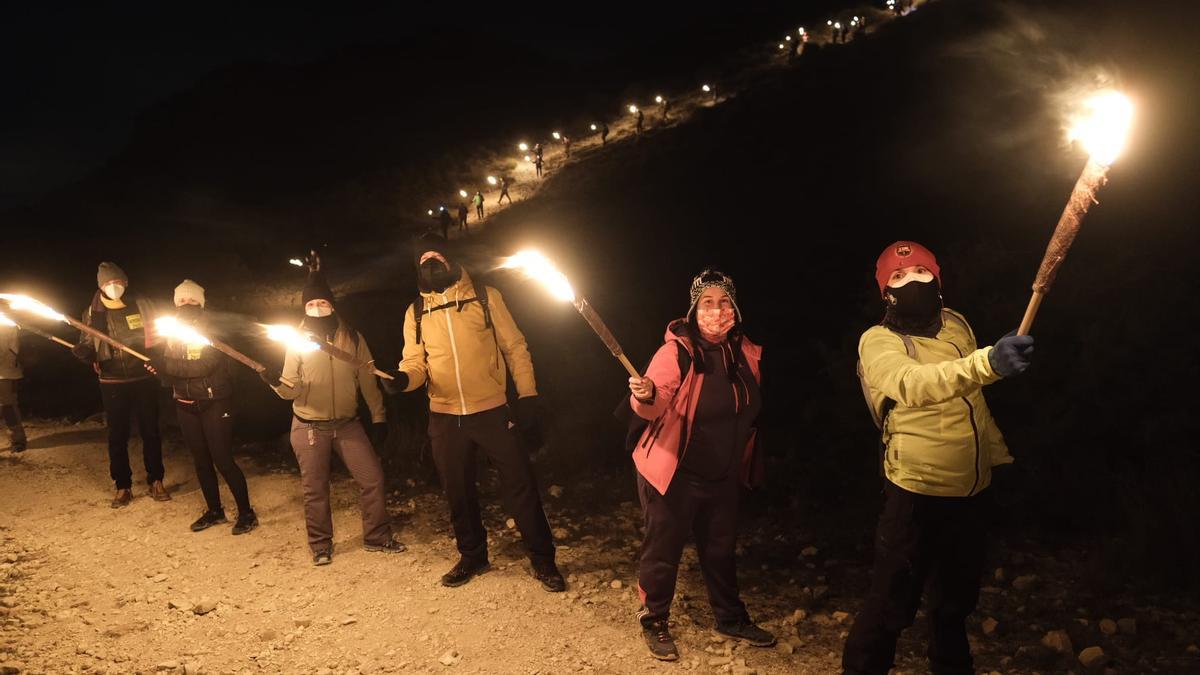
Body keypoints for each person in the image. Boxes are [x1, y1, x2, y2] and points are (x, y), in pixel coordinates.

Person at [842, 241, 1034, 675]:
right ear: (884, 290)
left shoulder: (955, 323)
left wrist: (993, 452)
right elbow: (913, 384)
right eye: (898, 277)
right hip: (916, 491)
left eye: (921, 273)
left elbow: (969, 396)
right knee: (890, 606)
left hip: (973, 487)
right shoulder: (877, 341)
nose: (912, 282)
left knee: (955, 603)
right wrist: (989, 363)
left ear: (938, 279)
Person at [382, 234, 564, 592]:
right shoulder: (416, 312)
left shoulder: (485, 295)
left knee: (521, 486)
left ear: (451, 259)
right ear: (417, 268)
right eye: (425, 261)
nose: (432, 265)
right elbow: (416, 363)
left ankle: (543, 561)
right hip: (445, 416)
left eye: (438, 257)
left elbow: (515, 347)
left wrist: (527, 396)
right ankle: (472, 556)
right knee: (457, 491)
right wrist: (403, 381)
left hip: (492, 410)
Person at [626, 269, 775, 661]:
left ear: (735, 307)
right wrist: (646, 394)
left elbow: (749, 410)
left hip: (723, 473)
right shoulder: (677, 351)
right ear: (693, 309)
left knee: (720, 550)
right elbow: (655, 399)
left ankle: (730, 617)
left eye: (723, 301)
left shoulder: (744, 352)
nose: (716, 309)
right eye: (707, 302)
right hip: (675, 471)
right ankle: (654, 617)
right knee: (663, 550)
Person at [262, 268, 405, 565]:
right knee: (315, 489)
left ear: (332, 305)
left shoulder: (352, 337)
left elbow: (368, 381)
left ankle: (376, 536)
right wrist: (276, 382)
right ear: (304, 309)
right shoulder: (297, 341)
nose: (317, 308)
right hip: (309, 426)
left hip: (347, 424)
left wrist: (378, 418)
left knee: (373, 479)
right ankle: (320, 545)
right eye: (311, 305)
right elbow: (292, 389)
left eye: (322, 303)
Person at [146, 280, 256, 534]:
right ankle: (215, 511)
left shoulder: (212, 328)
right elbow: (169, 368)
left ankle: (246, 513)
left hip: (215, 401)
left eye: (193, 300)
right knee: (201, 461)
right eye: (182, 301)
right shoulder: (172, 330)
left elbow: (204, 366)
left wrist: (165, 366)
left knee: (223, 460)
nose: (187, 305)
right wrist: (158, 370)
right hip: (185, 403)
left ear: (202, 303)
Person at [71, 262, 168, 508]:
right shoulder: (92, 313)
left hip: (142, 378)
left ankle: (156, 480)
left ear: (125, 282)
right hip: (112, 381)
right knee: (117, 435)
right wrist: (84, 352)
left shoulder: (142, 305)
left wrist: (157, 356)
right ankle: (122, 486)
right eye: (108, 284)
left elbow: (160, 336)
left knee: (151, 432)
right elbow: (87, 342)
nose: (114, 287)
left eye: (117, 282)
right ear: (101, 286)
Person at [0, 320, 26, 453]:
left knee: (8, 406)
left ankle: (18, 440)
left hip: (6, 373)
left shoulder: (7, 322)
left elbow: (11, 350)